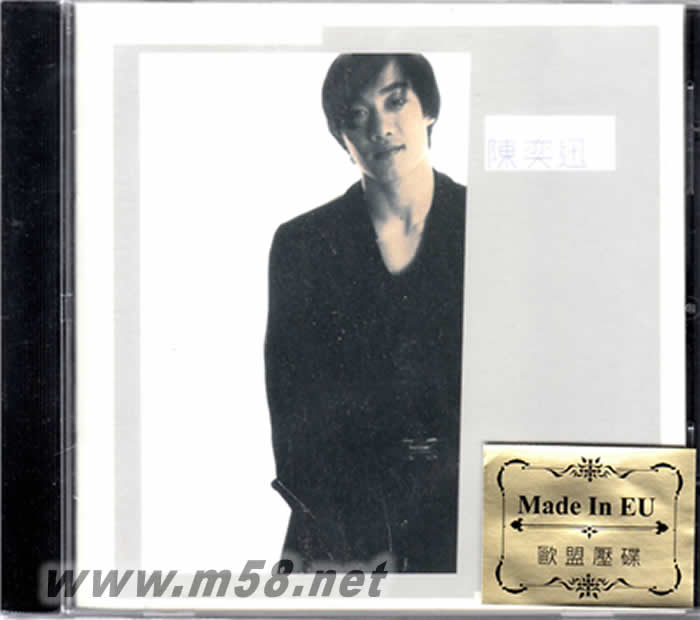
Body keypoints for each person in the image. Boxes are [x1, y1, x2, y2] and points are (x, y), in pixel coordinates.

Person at [264, 54, 466, 573]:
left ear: (429, 109)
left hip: (471, 514)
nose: (381, 128)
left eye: (395, 102)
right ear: (341, 136)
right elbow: (291, 406)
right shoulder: (303, 244)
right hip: (341, 524)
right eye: (356, 115)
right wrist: (339, 517)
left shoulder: (494, 222)